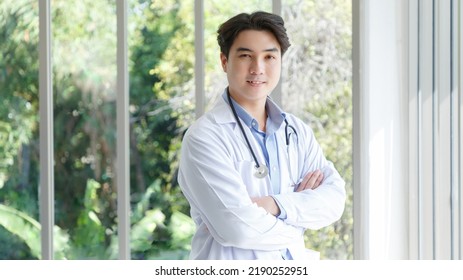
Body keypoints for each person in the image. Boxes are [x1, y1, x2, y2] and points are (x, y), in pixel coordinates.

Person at [177, 11, 346, 260]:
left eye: (269, 57)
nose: (258, 68)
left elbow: (334, 202)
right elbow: (238, 228)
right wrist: (299, 220)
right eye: (246, 56)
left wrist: (272, 204)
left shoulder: (297, 132)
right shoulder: (204, 138)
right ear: (224, 61)